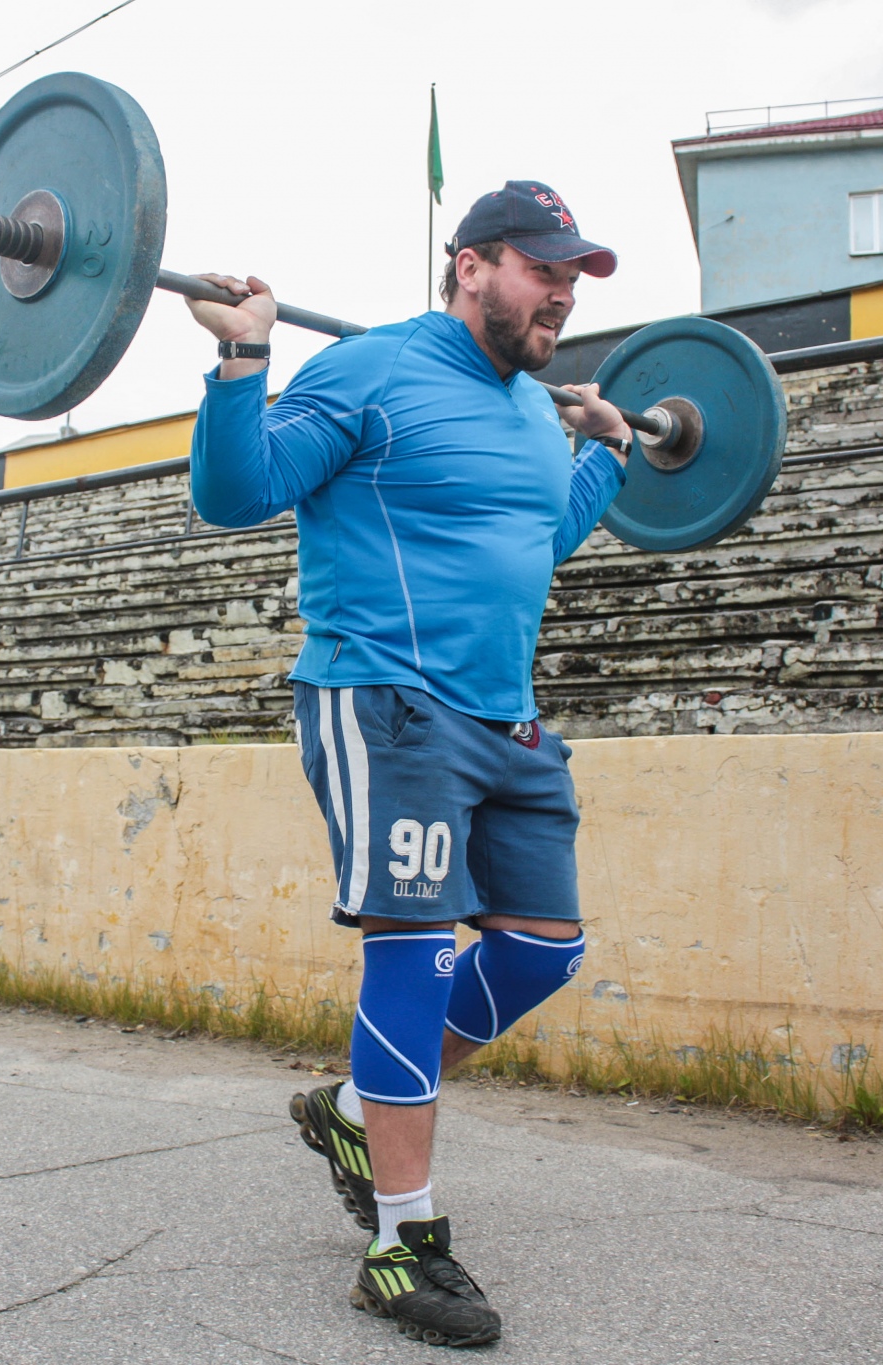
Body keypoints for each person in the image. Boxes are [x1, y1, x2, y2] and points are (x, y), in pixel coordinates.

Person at [184, 181, 633, 1347]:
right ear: (471, 265)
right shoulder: (371, 369)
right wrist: (244, 362)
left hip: (506, 722)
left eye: (574, 277)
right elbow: (235, 495)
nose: (561, 294)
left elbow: (531, 542)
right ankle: (402, 1243)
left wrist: (613, 458)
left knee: (545, 949)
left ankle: (355, 1106)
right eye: (544, 270)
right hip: (385, 700)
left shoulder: (538, 410)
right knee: (418, 953)